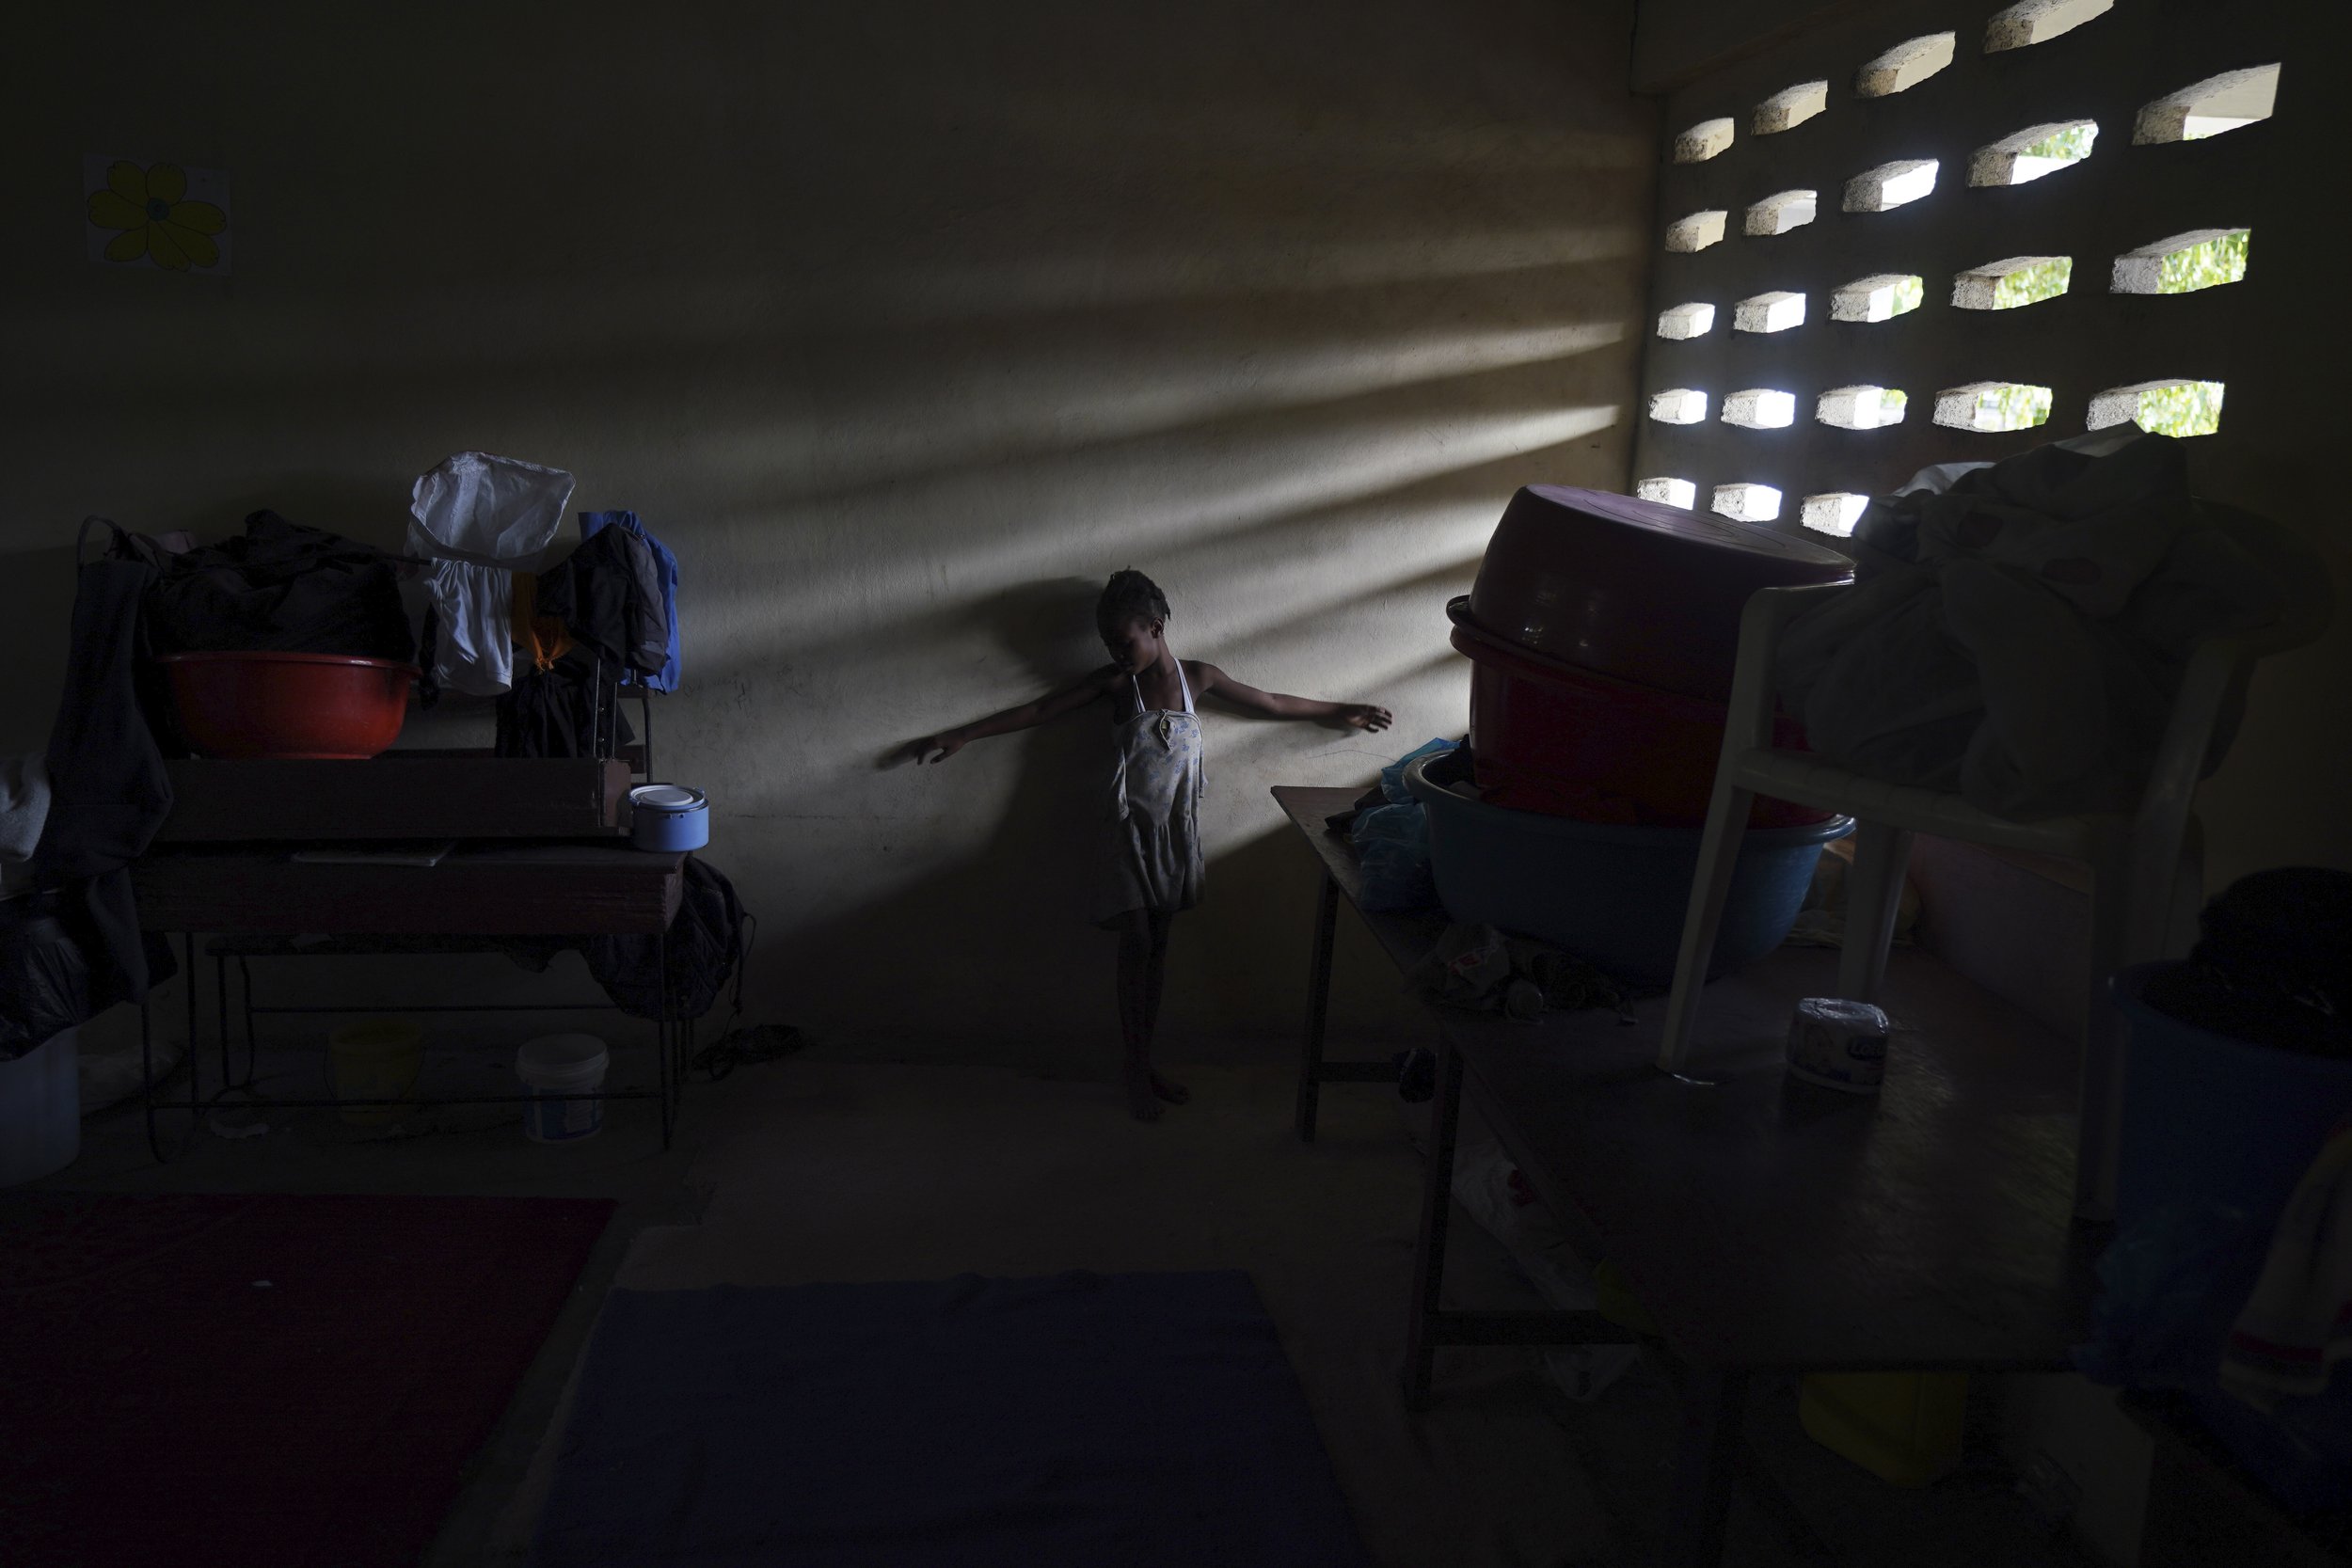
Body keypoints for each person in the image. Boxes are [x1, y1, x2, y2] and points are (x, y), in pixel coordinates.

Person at [902, 570, 1392, 1121]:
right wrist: (964, 733)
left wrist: (1338, 710)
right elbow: (1041, 711)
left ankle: (1144, 1059)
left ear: (1155, 628)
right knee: (1136, 940)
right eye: (1110, 645)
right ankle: (1135, 1068)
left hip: (1176, 834)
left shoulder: (1198, 678)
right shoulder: (1117, 685)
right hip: (1127, 832)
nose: (1118, 653)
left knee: (1157, 948)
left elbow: (1271, 702)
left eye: (1125, 642)